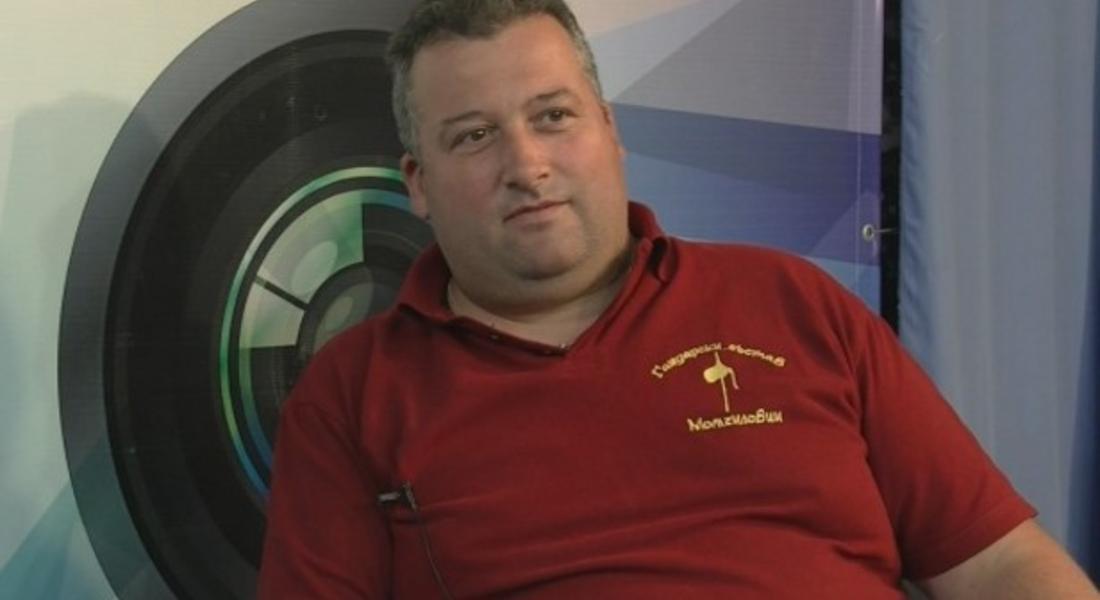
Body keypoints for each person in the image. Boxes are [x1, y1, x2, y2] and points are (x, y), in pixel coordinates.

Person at [258, 1, 1099, 598]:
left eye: (553, 116)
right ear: (418, 182)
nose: (527, 164)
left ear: (610, 131)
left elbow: (1000, 565)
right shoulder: (352, 395)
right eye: (475, 136)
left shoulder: (794, 304)